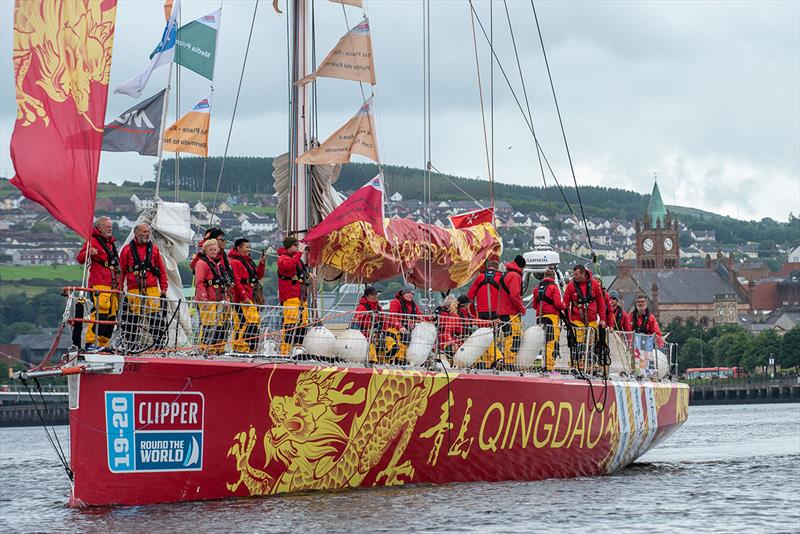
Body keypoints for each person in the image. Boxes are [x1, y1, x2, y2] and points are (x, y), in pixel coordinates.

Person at [118, 223, 169, 348]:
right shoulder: (126, 250)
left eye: (148, 232)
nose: (147, 234)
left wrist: (163, 289)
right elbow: (121, 272)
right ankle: (130, 345)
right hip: (133, 290)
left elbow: (162, 271)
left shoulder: (154, 249)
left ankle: (159, 345)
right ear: (136, 233)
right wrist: (119, 290)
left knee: (156, 319)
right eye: (144, 232)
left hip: (152, 289)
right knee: (132, 320)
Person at [76, 216, 121, 350]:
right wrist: (88, 252)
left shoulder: (110, 244)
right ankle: (90, 342)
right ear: (99, 228)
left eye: (111, 227)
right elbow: (80, 258)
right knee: (100, 311)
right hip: (99, 282)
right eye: (107, 226)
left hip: (112, 284)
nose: (110, 229)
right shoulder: (93, 241)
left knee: (112, 314)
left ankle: (103, 343)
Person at [563, 265, 606, 368]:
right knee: (578, 343)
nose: (575, 277)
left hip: (592, 319)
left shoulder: (594, 284)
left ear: (583, 273)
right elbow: (565, 303)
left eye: (577, 274)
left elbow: (601, 302)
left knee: (592, 344)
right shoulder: (571, 286)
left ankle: (591, 365)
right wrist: (568, 320)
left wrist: (603, 319)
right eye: (574, 275)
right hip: (577, 320)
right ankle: (576, 364)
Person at [229, 238, 266, 352]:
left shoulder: (247, 260)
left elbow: (257, 276)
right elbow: (236, 281)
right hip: (242, 298)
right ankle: (240, 347)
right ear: (239, 248)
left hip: (249, 295)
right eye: (246, 247)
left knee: (254, 321)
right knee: (243, 322)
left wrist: (262, 263)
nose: (248, 249)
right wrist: (243, 296)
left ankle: (250, 347)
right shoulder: (235, 262)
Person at [194, 239, 231, 353]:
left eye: (215, 249)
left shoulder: (218, 264)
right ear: (205, 250)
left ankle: (217, 349)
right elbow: (199, 282)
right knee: (208, 326)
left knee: (220, 326)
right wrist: (203, 299)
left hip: (219, 299)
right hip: (208, 299)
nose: (213, 251)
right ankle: (205, 349)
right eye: (211, 249)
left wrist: (226, 298)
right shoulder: (201, 263)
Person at [466, 260, 505, 368]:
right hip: (496, 313)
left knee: (483, 336)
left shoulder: (480, 278)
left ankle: (485, 361)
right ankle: (497, 358)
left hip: (482, 312)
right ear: (497, 268)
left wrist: (474, 312)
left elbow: (470, 296)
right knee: (493, 338)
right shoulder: (500, 278)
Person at [277, 236, 310, 354]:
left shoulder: (297, 259)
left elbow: (299, 271)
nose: (297, 247)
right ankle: (285, 351)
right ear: (289, 246)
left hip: (300, 296)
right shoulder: (283, 258)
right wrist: (300, 252)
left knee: (303, 323)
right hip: (290, 295)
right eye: (295, 245)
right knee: (290, 324)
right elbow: (288, 266)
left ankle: (298, 349)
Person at [532, 267, 566, 371]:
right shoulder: (553, 287)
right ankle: (549, 366)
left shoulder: (537, 288)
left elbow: (534, 305)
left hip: (540, 317)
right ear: (553, 277)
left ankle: (543, 363)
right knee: (551, 342)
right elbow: (557, 304)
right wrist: (564, 305)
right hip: (551, 317)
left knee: (543, 342)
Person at [497, 255, 527, 366]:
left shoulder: (507, 274)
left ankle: (506, 361)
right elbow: (515, 296)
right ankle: (509, 363)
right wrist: (522, 309)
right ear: (522, 267)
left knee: (507, 337)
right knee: (514, 338)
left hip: (504, 311)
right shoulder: (515, 276)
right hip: (511, 313)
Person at [385, 283, 422, 363]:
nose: (410, 295)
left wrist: (428, 318)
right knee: (396, 344)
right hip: (394, 329)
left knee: (406, 340)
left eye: (412, 294)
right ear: (403, 292)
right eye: (408, 292)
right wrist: (400, 326)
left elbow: (419, 315)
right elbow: (392, 317)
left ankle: (400, 361)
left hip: (406, 330)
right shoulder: (395, 302)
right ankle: (391, 361)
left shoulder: (414, 305)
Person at [352, 285, 383, 361]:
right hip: (365, 334)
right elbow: (356, 322)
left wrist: (382, 332)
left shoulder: (378, 307)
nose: (375, 296)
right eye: (372, 295)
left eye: (376, 294)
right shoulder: (362, 308)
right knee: (371, 346)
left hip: (377, 333)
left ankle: (382, 361)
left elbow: (383, 320)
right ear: (366, 296)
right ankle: (372, 362)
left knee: (386, 343)